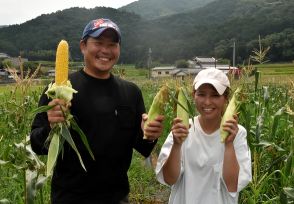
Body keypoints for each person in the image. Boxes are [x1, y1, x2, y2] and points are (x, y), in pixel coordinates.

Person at [30, 18, 164, 204]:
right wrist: (52, 127)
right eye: (98, 43)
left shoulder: (131, 92)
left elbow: (143, 147)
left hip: (117, 197)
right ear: (83, 46)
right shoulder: (59, 89)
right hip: (70, 198)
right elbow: (36, 143)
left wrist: (149, 134)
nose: (106, 50)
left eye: (112, 44)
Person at [155, 68, 252, 204]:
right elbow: (170, 179)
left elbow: (232, 185)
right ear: (194, 95)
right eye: (201, 94)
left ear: (226, 98)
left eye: (214, 95)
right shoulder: (182, 129)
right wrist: (177, 145)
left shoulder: (238, 134)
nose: (207, 102)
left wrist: (229, 145)